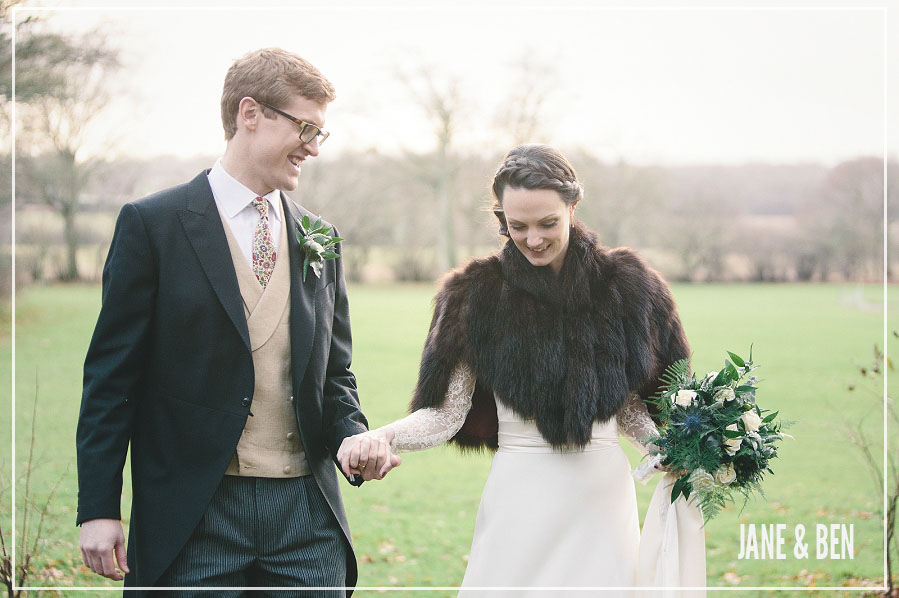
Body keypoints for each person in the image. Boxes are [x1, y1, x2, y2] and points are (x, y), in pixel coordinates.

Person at [76, 48, 399, 596]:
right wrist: (99, 507)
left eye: (322, 133)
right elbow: (112, 381)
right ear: (250, 114)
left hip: (307, 514)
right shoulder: (151, 227)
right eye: (305, 127)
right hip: (194, 512)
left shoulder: (321, 238)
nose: (314, 147)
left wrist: (354, 437)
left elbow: (335, 375)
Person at [337, 144, 705, 596]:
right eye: (518, 226)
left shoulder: (627, 288)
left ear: (573, 206)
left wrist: (680, 449)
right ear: (501, 220)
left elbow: (628, 406)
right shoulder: (475, 295)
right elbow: (445, 413)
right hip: (520, 494)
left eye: (548, 223)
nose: (533, 239)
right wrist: (383, 437)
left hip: (601, 498)